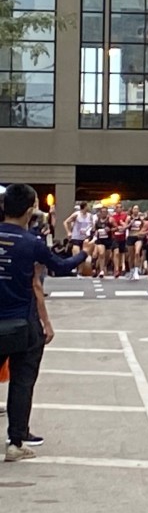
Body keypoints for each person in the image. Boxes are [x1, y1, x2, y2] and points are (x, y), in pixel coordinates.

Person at [0, 184, 87, 461]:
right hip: (21, 323)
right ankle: (15, 442)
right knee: (22, 382)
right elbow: (61, 267)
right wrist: (85, 253)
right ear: (29, 210)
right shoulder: (31, 243)